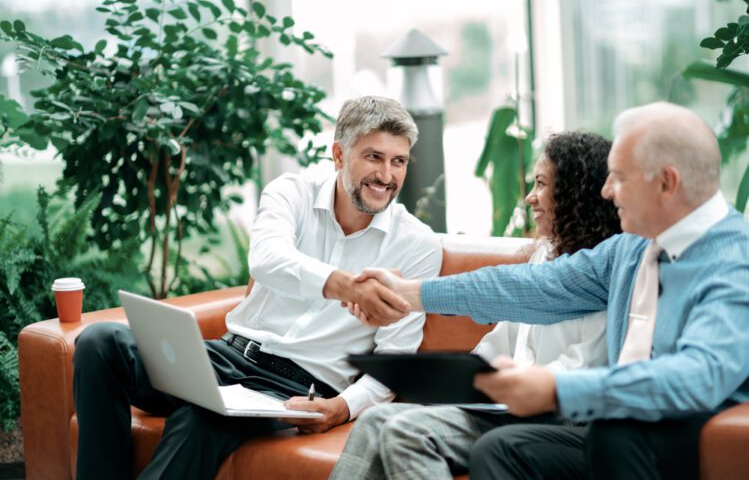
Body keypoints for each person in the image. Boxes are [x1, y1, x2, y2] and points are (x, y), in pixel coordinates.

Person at [348, 102, 749, 480]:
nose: (607, 191)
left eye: (619, 177)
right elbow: (537, 286)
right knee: (503, 448)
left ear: (666, 182)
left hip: (680, 438)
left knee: (594, 437)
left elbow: (699, 375)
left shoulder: (734, 262)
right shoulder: (634, 247)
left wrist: (557, 388)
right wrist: (413, 293)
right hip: (612, 428)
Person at [72, 96, 442, 480]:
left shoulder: (417, 245)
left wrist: (342, 408)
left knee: (202, 420)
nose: (386, 175)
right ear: (338, 154)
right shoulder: (292, 192)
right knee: (101, 342)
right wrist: (345, 287)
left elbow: (397, 359)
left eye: (398, 161)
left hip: (293, 388)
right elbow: (266, 260)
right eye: (373, 157)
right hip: (223, 357)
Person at [330, 131, 620, 479]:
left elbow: (584, 370)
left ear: (576, 193)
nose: (530, 197)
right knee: (377, 419)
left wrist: (513, 384)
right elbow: (503, 341)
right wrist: (458, 378)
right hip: (505, 407)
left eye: (542, 184)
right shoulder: (545, 254)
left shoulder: (603, 272)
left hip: (556, 416)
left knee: (406, 431)